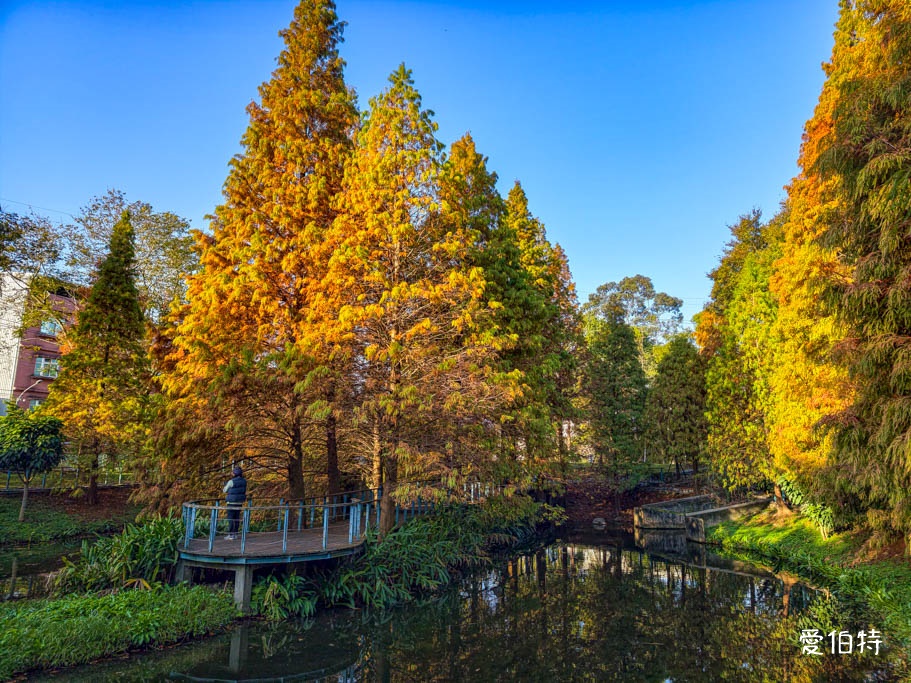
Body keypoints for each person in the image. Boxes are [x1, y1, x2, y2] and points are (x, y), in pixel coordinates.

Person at [223, 465, 247, 540]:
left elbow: (225, 490)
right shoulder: (244, 481)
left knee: (230, 519)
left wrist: (225, 485)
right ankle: (235, 534)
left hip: (231, 502)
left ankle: (231, 534)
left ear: (234, 473)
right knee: (236, 518)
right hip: (239, 502)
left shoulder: (231, 481)